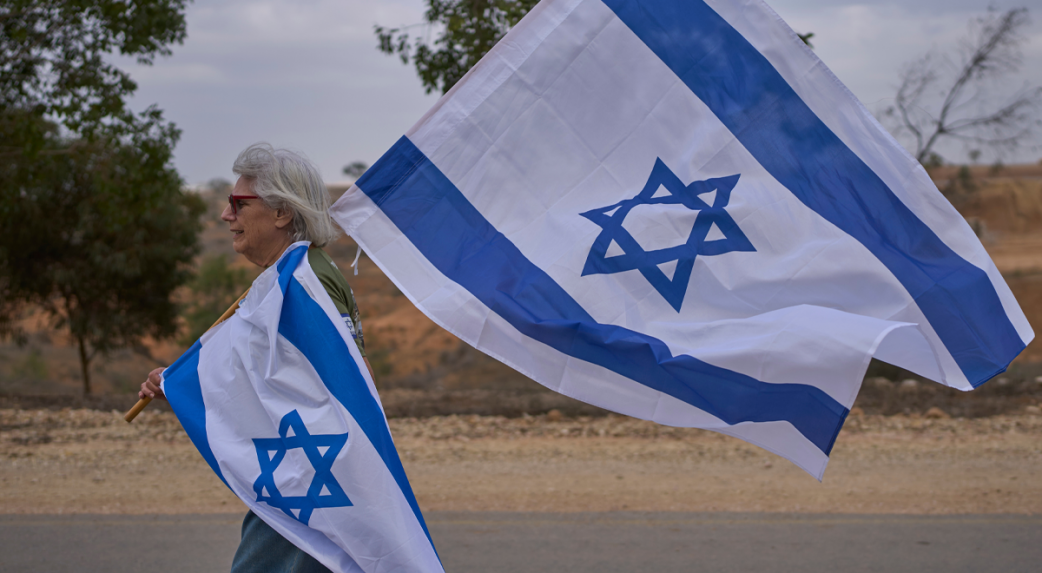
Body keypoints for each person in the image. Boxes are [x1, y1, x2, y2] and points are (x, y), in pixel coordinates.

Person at [139, 143, 371, 573]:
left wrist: (188, 386)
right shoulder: (294, 275)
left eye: (238, 204)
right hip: (304, 470)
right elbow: (272, 374)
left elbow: (340, 384)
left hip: (309, 474)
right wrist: (182, 384)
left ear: (282, 212)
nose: (226, 215)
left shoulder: (303, 282)